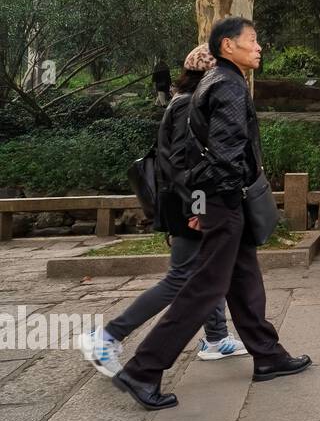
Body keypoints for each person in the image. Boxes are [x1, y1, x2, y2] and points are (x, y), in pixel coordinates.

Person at [112, 17, 311, 410]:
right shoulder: (227, 86)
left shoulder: (219, 82)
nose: (258, 48)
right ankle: (143, 368)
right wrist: (208, 207)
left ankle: (268, 356)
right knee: (204, 289)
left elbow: (196, 157)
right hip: (225, 201)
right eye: (251, 41)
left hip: (219, 201)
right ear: (226, 46)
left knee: (245, 279)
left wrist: (201, 204)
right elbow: (223, 156)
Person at [80, 45, 246, 376]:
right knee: (181, 277)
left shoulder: (188, 102)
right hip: (189, 204)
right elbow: (186, 168)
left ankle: (215, 338)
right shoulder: (189, 108)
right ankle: (107, 336)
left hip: (189, 202)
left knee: (208, 271)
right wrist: (199, 209)